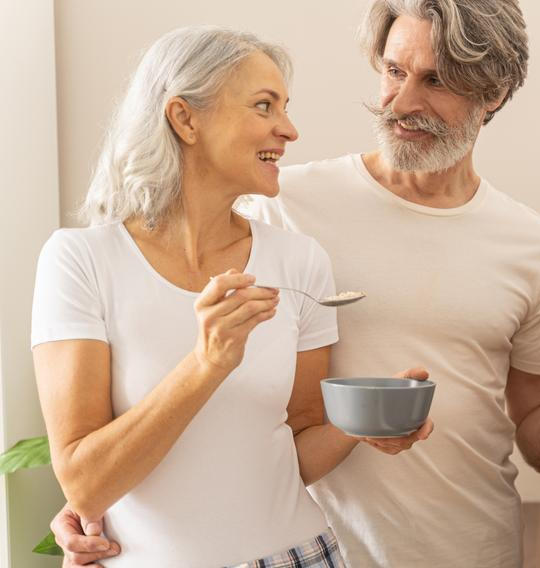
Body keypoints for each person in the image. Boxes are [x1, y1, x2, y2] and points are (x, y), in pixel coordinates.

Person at [55, 1, 540, 567]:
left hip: (470, 549)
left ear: (494, 94)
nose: (402, 102)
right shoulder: (283, 205)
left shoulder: (532, 247)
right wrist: (102, 507)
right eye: (393, 70)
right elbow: (174, 352)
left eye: (436, 81)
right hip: (309, 548)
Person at [32, 26, 430, 568]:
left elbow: (296, 451)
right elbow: (86, 486)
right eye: (264, 106)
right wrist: (207, 363)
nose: (288, 130)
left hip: (299, 556)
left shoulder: (299, 261)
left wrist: (360, 423)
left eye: (285, 107)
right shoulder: (80, 261)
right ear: (184, 118)